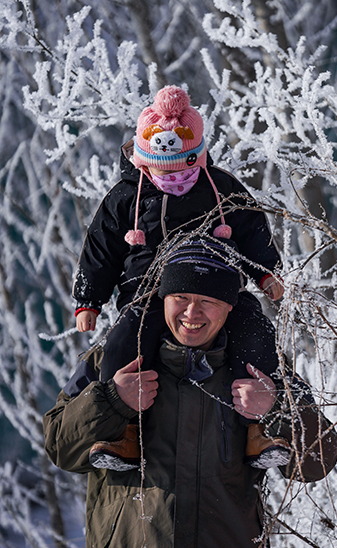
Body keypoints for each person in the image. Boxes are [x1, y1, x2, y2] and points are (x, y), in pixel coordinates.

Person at [43, 239, 337, 548]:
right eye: (180, 297)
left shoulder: (262, 368)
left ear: (230, 306)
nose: (191, 313)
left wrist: (274, 410)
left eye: (208, 301)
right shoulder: (110, 362)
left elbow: (320, 458)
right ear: (163, 296)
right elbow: (58, 445)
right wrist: (111, 400)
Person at [73, 85, 286, 470]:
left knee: (254, 333)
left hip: (217, 290)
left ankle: (260, 427)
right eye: (161, 172)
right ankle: (122, 431)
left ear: (198, 157)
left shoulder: (220, 189)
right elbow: (101, 248)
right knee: (125, 341)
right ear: (143, 162)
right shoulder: (127, 197)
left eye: (183, 170)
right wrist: (89, 298)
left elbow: (252, 228)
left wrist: (267, 273)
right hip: (146, 292)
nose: (173, 180)